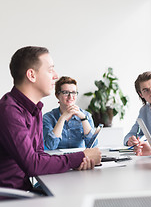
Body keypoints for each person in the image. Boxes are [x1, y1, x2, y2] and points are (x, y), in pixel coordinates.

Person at [0, 46, 101, 191]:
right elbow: (33, 164)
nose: (56, 75)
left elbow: (39, 154)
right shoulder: (9, 111)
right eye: (50, 70)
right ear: (32, 75)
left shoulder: (35, 109)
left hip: (23, 190)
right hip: (11, 199)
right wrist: (79, 157)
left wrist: (77, 162)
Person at [43, 76, 97, 150]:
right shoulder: (48, 118)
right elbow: (51, 146)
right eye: (65, 92)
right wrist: (62, 118)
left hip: (80, 158)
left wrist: (83, 118)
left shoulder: (86, 115)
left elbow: (92, 145)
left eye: (73, 92)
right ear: (57, 95)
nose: (70, 96)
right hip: (57, 159)